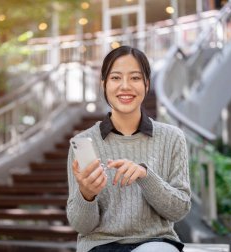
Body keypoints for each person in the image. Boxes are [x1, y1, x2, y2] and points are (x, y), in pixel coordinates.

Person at [66, 45, 191, 252]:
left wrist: (145, 176)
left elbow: (179, 210)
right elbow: (81, 226)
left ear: (146, 84)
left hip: (155, 245)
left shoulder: (172, 138)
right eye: (116, 78)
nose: (125, 86)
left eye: (134, 78)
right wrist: (86, 195)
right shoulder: (83, 143)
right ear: (104, 84)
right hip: (100, 246)